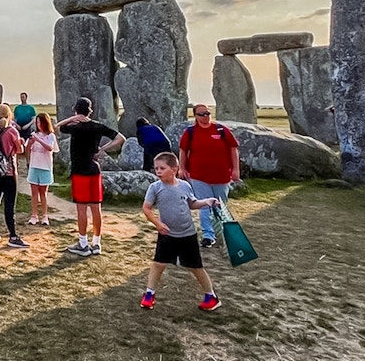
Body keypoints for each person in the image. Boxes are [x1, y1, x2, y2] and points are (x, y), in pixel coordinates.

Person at [140, 152, 221, 312]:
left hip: (187, 235)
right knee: (158, 264)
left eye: (162, 168)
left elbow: (192, 203)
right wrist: (158, 224)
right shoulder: (155, 188)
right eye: (156, 168)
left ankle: (211, 297)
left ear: (174, 169)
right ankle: (149, 294)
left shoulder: (185, 186)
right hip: (167, 235)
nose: (158, 171)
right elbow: (146, 208)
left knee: (196, 267)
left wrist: (207, 202)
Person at [55, 97, 125, 257]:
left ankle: (83, 243)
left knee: (81, 209)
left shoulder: (75, 127)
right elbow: (121, 138)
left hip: (80, 171)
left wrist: (74, 118)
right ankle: (96, 243)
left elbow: (56, 127)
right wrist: (102, 149)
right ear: (90, 110)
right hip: (94, 171)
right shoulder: (97, 127)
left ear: (76, 110)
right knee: (96, 208)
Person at [178, 104, 240, 248]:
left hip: (222, 176)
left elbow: (233, 149)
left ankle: (224, 234)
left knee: (220, 205)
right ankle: (208, 235)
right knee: (205, 205)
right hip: (199, 176)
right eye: (201, 114)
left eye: (207, 113)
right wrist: (182, 168)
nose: (205, 116)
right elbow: (183, 150)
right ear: (195, 116)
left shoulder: (221, 130)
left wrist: (236, 169)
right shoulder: (191, 132)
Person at [0, 103, 29, 248]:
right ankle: (13, 236)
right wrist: (21, 142)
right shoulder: (12, 131)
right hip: (9, 172)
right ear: (10, 115)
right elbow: (19, 150)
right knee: (9, 205)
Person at [26, 113, 59, 226]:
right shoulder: (34, 134)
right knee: (34, 193)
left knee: (43, 193)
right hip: (34, 166)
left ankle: (45, 216)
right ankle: (34, 215)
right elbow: (26, 150)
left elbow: (50, 148)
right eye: (37, 122)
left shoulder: (50, 136)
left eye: (40, 122)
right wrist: (30, 143)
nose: (39, 125)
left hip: (45, 167)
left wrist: (38, 140)